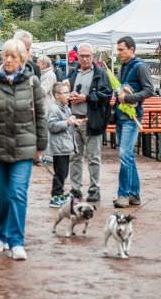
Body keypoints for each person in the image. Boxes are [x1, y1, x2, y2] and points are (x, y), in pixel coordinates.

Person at [0, 39, 47, 261]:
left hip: (24, 149)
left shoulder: (33, 83)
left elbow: (41, 115)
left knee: (17, 193)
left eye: (13, 56)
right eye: (5, 55)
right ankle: (0, 235)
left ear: (22, 60)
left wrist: (41, 146)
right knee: (1, 195)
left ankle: (16, 241)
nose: (8, 60)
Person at [67, 43, 112, 202]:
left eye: (88, 56)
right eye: (82, 56)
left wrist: (86, 97)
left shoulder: (100, 74)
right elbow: (64, 93)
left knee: (93, 158)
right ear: (77, 57)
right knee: (74, 157)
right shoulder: (73, 73)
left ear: (93, 57)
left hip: (91, 121)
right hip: (74, 120)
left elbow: (107, 95)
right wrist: (70, 96)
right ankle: (75, 189)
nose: (85, 58)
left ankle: (94, 189)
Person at [113, 36, 153, 208]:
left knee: (124, 156)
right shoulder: (123, 66)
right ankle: (134, 195)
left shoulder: (140, 66)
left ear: (131, 49)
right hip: (121, 117)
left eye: (121, 49)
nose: (118, 52)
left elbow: (149, 90)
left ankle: (123, 195)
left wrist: (128, 97)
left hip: (132, 118)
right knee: (128, 157)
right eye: (118, 49)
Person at [48, 83, 84, 208]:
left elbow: (67, 124)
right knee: (60, 173)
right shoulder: (53, 108)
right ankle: (55, 196)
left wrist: (74, 122)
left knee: (63, 172)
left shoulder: (66, 108)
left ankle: (59, 194)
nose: (68, 95)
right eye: (65, 92)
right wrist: (67, 122)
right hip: (59, 146)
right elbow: (52, 126)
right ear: (57, 95)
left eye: (68, 92)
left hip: (65, 145)